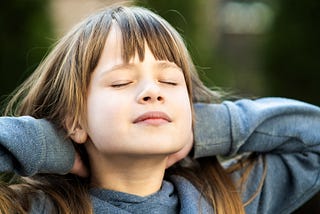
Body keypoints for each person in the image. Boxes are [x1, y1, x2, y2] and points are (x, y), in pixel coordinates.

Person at [1, 4, 320, 214]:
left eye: (169, 81)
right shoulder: (34, 208)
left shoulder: (232, 200)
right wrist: (48, 144)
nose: (152, 91)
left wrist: (205, 127)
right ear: (75, 120)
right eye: (121, 82)